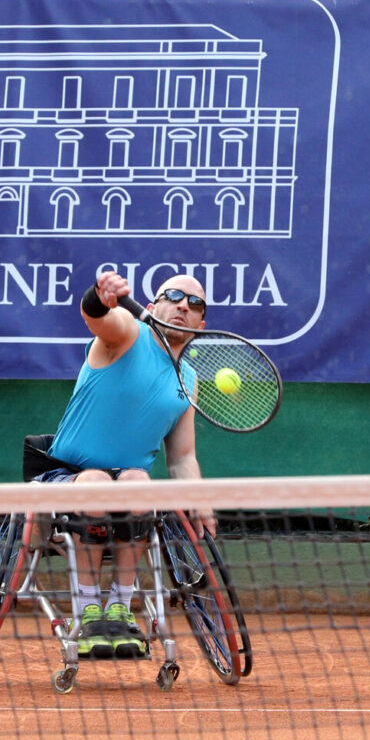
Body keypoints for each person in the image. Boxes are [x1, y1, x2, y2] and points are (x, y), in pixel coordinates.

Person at [33, 270, 216, 659]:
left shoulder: (189, 379)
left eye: (195, 303)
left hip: (129, 486)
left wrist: (200, 502)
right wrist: (101, 297)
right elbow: (98, 317)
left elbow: (182, 457)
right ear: (153, 307)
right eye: (174, 296)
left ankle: (120, 607)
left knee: (137, 479)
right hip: (63, 477)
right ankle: (88, 612)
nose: (184, 305)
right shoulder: (128, 333)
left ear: (201, 324)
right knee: (98, 481)